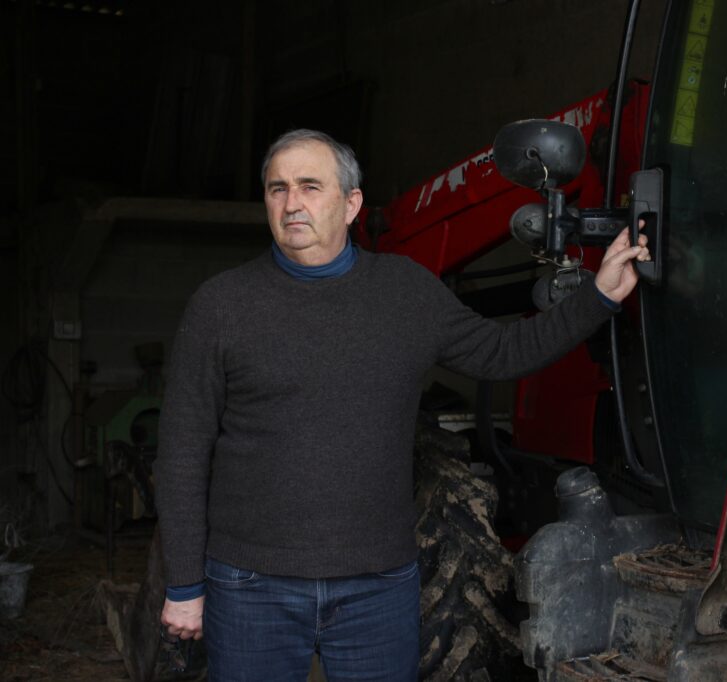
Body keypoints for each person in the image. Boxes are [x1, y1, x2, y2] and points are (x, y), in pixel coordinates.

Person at [154, 128, 649, 681]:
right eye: (278, 189)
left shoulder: (405, 292)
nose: (292, 203)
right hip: (251, 584)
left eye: (310, 186)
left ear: (351, 204)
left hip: (377, 588)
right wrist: (184, 586)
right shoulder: (221, 306)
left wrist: (599, 296)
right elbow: (182, 453)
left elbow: (504, 351)